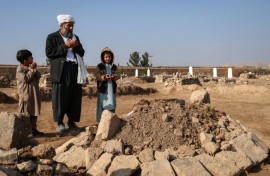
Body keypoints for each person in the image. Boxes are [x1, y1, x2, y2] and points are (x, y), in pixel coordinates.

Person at [45, 14, 85, 132]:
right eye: (69, 25)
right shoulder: (52, 37)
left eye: (72, 26)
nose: (71, 28)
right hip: (61, 71)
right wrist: (65, 46)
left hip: (74, 69)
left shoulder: (75, 37)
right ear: (62, 25)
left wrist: (75, 46)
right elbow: (49, 53)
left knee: (74, 97)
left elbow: (82, 52)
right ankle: (60, 123)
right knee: (60, 97)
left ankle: (71, 122)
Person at [16, 49, 44, 137]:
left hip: (34, 94)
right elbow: (26, 79)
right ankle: (26, 131)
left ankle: (33, 129)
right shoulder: (20, 69)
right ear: (25, 61)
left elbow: (39, 76)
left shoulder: (30, 67)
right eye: (31, 57)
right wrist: (32, 70)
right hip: (26, 95)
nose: (33, 58)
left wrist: (34, 69)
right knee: (26, 113)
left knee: (34, 111)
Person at [96, 47, 119, 123]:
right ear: (103, 57)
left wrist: (114, 76)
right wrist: (104, 77)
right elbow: (97, 76)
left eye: (109, 57)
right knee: (101, 105)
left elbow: (118, 75)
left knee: (112, 103)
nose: (107, 58)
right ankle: (100, 121)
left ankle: (111, 120)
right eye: (106, 57)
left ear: (111, 57)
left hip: (111, 89)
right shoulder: (99, 66)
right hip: (102, 89)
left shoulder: (114, 66)